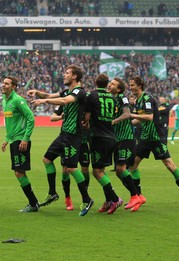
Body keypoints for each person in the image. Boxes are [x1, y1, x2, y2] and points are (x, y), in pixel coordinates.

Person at [30, 64, 95, 216]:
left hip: (73, 136)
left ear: (74, 76)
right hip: (64, 134)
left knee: (71, 168)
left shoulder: (79, 92)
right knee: (47, 159)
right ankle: (52, 193)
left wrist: (44, 102)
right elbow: (49, 96)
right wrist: (38, 93)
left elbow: (65, 101)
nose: (64, 75)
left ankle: (87, 199)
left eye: (67, 73)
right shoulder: (68, 91)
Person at [129, 76, 179, 209]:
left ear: (140, 85)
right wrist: (125, 123)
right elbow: (138, 120)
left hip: (157, 138)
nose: (130, 87)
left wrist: (131, 116)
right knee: (133, 165)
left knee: (169, 165)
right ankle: (138, 197)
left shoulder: (148, 99)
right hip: (145, 138)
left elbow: (149, 117)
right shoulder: (138, 101)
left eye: (132, 85)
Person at [82, 74, 122, 214]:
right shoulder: (112, 98)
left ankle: (115, 199)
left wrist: (85, 123)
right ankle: (108, 201)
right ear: (106, 85)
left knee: (97, 172)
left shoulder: (92, 96)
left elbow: (86, 118)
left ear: (95, 82)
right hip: (111, 136)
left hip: (98, 137)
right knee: (102, 171)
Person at [0, 76, 38, 212]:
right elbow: (10, 123)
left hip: (21, 140)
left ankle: (33, 204)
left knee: (19, 172)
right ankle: (33, 203)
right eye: (3, 83)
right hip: (14, 140)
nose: (3, 85)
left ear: (14, 86)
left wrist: (26, 138)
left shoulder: (18, 100)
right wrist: (6, 139)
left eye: (7, 83)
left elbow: (31, 118)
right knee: (19, 172)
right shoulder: (5, 101)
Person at [109, 77, 144, 212]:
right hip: (118, 139)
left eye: (112, 84)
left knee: (122, 169)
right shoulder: (113, 100)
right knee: (119, 171)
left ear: (118, 89)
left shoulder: (122, 98)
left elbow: (127, 115)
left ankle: (136, 196)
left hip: (126, 139)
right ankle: (136, 196)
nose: (109, 85)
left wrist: (112, 122)